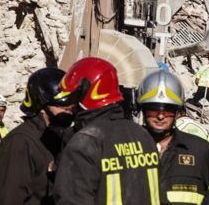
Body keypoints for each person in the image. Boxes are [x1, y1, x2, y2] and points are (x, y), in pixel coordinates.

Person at [53, 57, 161, 204]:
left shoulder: (84, 143)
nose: (70, 106)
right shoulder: (142, 135)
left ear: (84, 93)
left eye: (73, 98)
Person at [136, 70, 209, 205]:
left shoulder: (198, 149)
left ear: (177, 111)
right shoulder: (123, 148)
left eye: (168, 109)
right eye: (153, 108)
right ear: (142, 109)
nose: (160, 116)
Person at [0, 68, 74, 205]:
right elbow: (9, 198)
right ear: (41, 107)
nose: (69, 111)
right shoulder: (20, 142)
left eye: (71, 106)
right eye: (63, 106)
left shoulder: (57, 136)